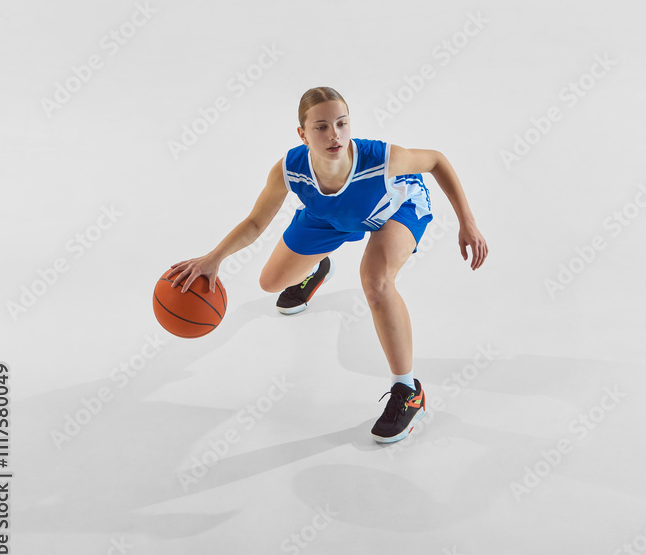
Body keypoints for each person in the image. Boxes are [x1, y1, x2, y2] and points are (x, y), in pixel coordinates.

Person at [165, 86, 488, 444]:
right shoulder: (290, 169)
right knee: (270, 283)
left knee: (375, 281)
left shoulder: (381, 158)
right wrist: (214, 259)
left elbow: (436, 160)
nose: (334, 134)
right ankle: (317, 268)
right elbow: (256, 222)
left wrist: (467, 222)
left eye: (341, 123)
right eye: (321, 127)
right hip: (332, 215)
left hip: (395, 208)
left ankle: (408, 392)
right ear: (302, 134)